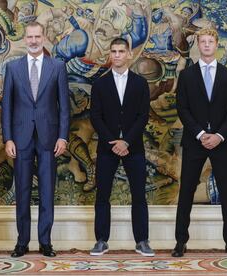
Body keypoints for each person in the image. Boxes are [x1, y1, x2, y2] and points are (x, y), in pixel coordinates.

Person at [173, 28, 227, 257]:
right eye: (202, 41)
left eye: (210, 41)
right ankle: (180, 241)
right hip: (195, 141)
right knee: (186, 191)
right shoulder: (186, 75)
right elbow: (182, 108)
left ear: (216, 45)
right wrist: (199, 134)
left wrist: (218, 135)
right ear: (198, 45)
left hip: (221, 143)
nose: (206, 45)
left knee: (226, 192)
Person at [1, 21, 70, 258]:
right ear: (24, 39)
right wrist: (8, 139)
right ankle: (22, 242)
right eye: (29, 37)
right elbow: (7, 106)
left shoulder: (57, 67)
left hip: (49, 139)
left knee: (47, 191)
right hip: (20, 139)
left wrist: (63, 136)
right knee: (21, 190)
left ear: (44, 38)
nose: (33, 41)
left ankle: (45, 241)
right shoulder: (12, 68)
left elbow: (64, 107)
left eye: (37, 37)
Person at [89, 38, 154, 257]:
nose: (117, 55)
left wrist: (126, 141)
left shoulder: (140, 83)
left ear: (129, 54)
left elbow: (143, 116)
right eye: (114, 51)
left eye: (121, 51)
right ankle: (101, 240)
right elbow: (95, 117)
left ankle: (142, 240)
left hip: (133, 147)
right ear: (110, 54)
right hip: (107, 148)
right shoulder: (99, 84)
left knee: (139, 195)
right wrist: (113, 142)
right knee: (102, 195)